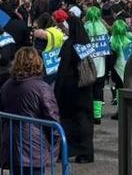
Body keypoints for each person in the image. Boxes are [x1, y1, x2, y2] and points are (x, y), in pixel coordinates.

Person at [0, 47, 61, 174]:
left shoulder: (7, 85)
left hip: (11, 142)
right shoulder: (41, 87)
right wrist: (56, 143)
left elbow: (1, 109)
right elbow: (53, 118)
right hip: (33, 145)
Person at [54, 15, 94, 164]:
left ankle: (68, 150)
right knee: (84, 121)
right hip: (85, 87)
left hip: (70, 90)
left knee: (69, 122)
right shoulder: (86, 43)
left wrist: (57, 91)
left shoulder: (69, 45)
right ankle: (87, 152)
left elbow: (63, 70)